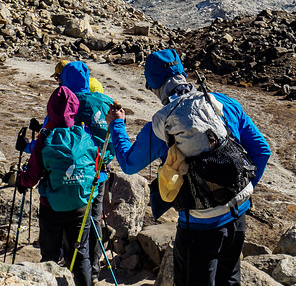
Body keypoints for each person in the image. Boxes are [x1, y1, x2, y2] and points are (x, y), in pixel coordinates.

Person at [105, 49, 271, 286]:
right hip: (238, 213)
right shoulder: (223, 103)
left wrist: (117, 125)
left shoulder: (162, 123)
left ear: (154, 86)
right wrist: (242, 188)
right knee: (230, 279)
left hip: (200, 225)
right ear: (183, 74)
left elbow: (129, 164)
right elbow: (262, 150)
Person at [18, 86, 97, 286]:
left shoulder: (44, 139)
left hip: (51, 206)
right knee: (80, 256)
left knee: (50, 256)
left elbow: (32, 177)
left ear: (50, 109)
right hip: (81, 204)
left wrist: (21, 181)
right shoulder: (84, 136)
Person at [59, 61, 116, 282]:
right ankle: (93, 268)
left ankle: (76, 266)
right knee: (94, 216)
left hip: (75, 173)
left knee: (74, 218)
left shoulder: (67, 103)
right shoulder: (104, 101)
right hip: (101, 170)